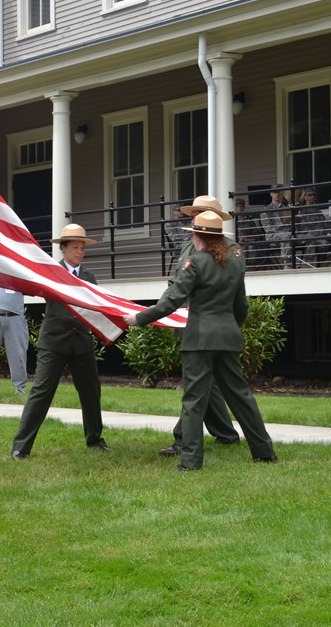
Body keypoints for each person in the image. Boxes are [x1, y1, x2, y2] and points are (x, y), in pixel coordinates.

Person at [124, 211, 278, 471]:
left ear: (198, 236)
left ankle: (190, 462)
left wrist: (139, 318)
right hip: (228, 336)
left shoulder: (194, 263)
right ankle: (264, 452)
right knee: (241, 397)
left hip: (199, 340)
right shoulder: (234, 263)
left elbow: (171, 300)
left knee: (194, 400)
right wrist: (230, 328)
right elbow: (241, 304)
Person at [10, 224, 109, 459]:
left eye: (82, 247)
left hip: (81, 342)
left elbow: (95, 308)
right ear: (63, 249)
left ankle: (95, 439)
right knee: (41, 391)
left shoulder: (89, 277)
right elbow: (30, 284)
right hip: (54, 341)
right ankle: (21, 446)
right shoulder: (51, 273)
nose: (80, 251)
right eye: (75, 246)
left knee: (91, 391)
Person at [158, 196, 242, 457]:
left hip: (206, 320)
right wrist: (165, 310)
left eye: (199, 212)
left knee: (197, 386)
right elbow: (177, 282)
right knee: (206, 383)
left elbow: (228, 288)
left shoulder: (229, 248)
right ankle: (226, 434)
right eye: (193, 213)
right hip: (188, 316)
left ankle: (184, 440)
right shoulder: (191, 243)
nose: (193, 217)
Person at [261, 186, 292, 269]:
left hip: (288, 235)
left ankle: (311, 264)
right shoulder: (266, 210)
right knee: (286, 236)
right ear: (271, 194)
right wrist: (284, 233)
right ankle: (287, 264)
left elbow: (292, 224)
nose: (277, 194)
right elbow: (268, 229)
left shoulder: (287, 208)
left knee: (308, 237)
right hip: (273, 237)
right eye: (275, 192)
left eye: (279, 192)